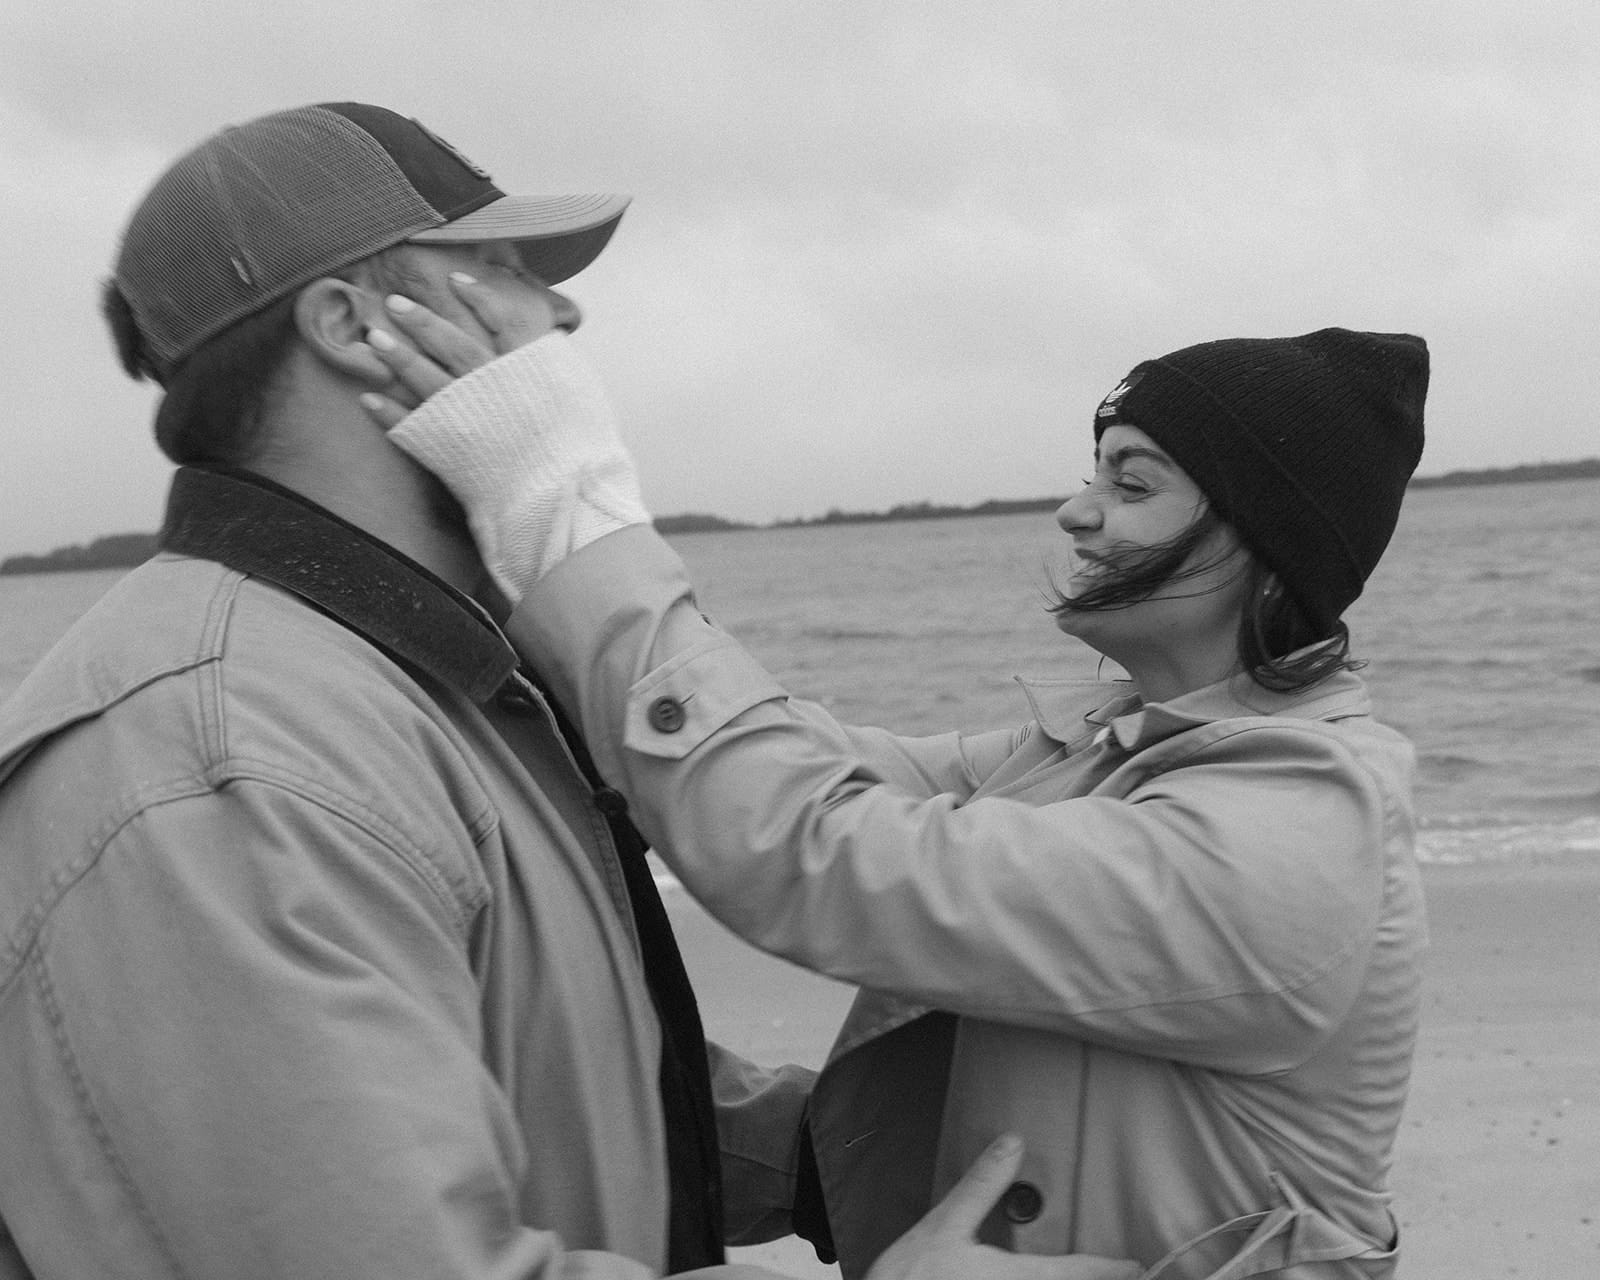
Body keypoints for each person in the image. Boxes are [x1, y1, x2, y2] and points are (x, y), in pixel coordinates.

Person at [0, 102, 1137, 1280]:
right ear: (349, 324)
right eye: (498, 268)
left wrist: (820, 1163)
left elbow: (531, 1056)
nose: (566, 311)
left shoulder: (406, 674)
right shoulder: (218, 752)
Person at [357, 293, 1431, 1279]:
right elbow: (796, 762)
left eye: (1131, 481)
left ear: (1269, 541)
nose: (1076, 509)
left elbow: (815, 851)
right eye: (1093, 469)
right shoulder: (1089, 753)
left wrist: (560, 501)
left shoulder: (1295, 823)